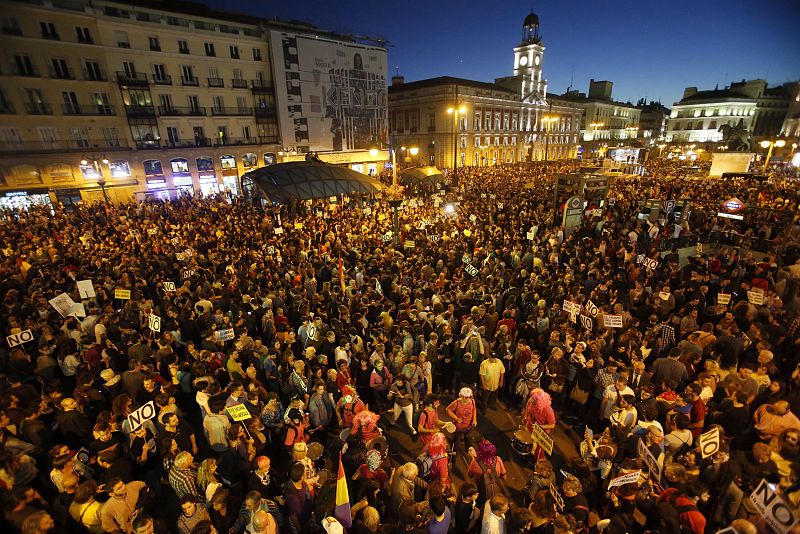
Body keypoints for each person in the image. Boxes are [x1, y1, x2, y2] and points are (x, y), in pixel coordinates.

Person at [446, 387, 477, 452]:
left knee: (467, 438)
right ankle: (453, 457)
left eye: (469, 397)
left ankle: (467, 449)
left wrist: (474, 419)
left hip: (469, 426)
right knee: (456, 442)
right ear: (462, 396)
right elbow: (448, 409)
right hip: (458, 427)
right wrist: (456, 418)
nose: (468, 399)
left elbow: (474, 409)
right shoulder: (456, 403)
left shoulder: (472, 401)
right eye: (466, 397)